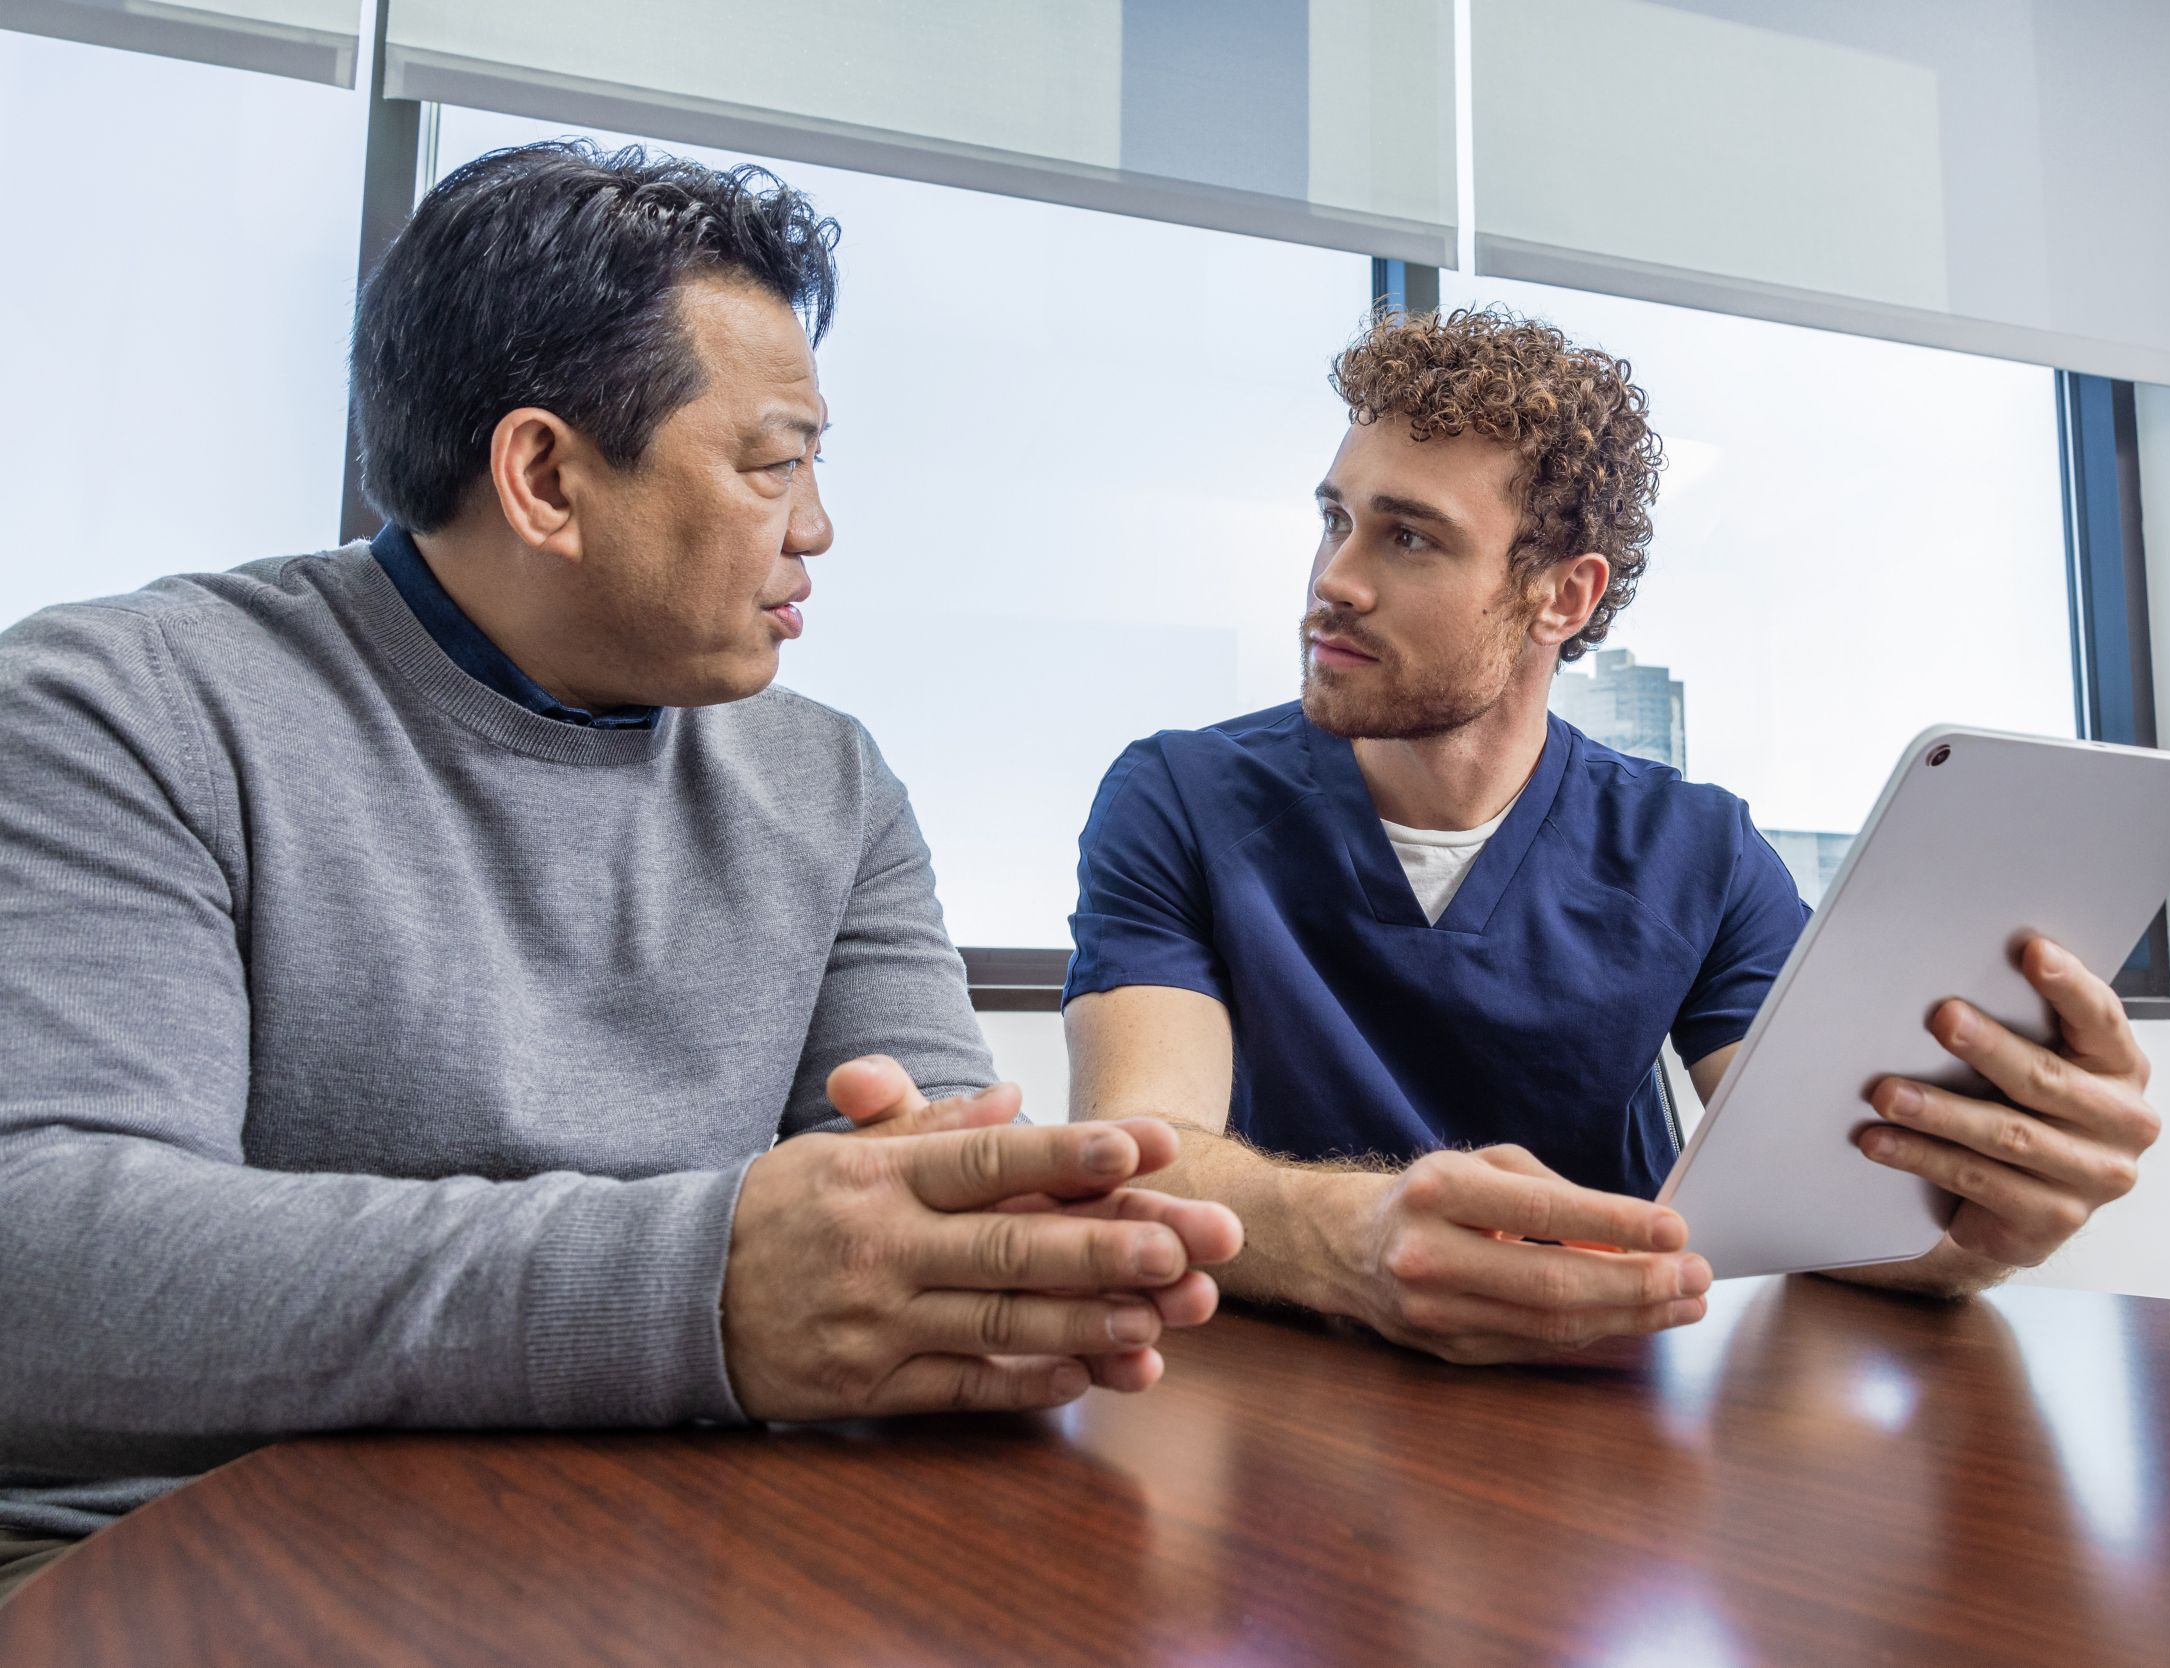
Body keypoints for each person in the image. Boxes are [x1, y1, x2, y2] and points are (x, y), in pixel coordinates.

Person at [0, 141, 1240, 1605]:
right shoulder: (122, 709)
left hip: (670, 1536)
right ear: (544, 477)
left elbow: (917, 1203)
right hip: (168, 1551)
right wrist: (700, 1285)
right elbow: (47, 1257)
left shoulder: (827, 784)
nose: (818, 529)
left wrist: (979, 1257)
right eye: (775, 464)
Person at [1048, 308, 2160, 1366]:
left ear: (1561, 598)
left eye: (1409, 540)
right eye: (1336, 519)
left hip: (1611, 1419)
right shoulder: (1177, 797)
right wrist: (1358, 1239)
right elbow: (1140, 1159)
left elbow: (1839, 1213)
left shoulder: (1698, 851)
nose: (1333, 582)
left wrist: (1988, 1226)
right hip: (1279, 1424)